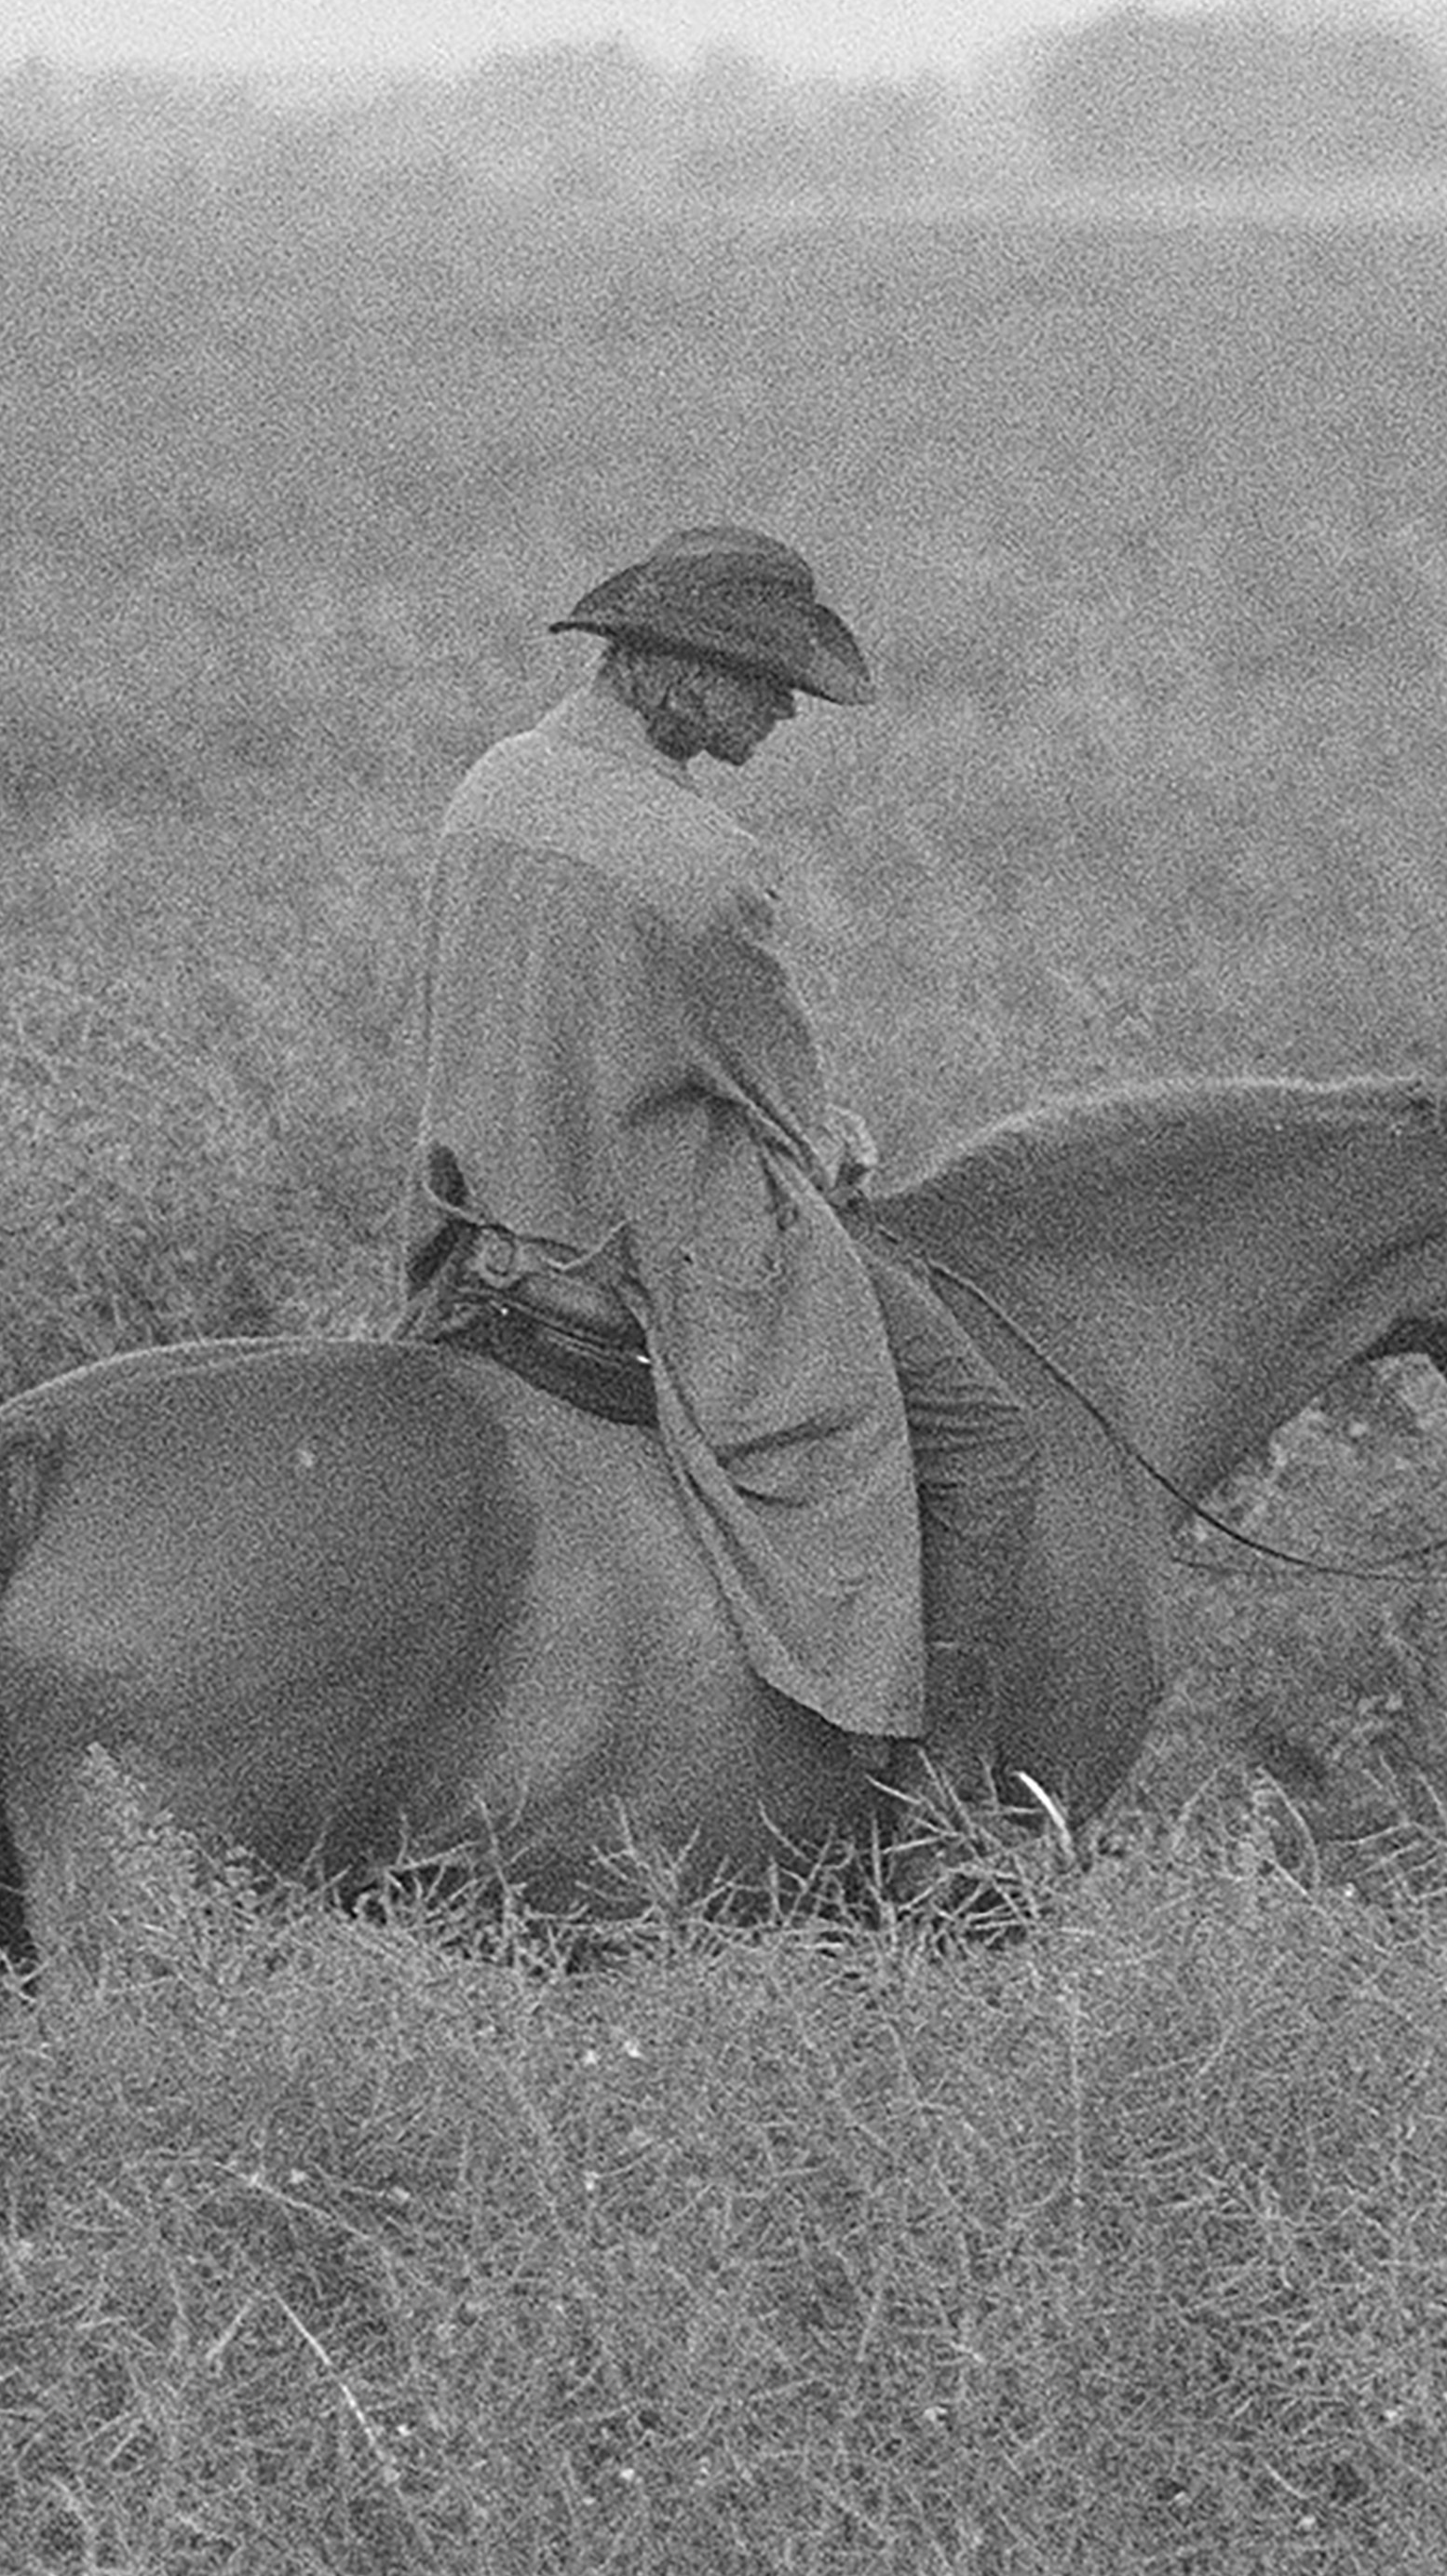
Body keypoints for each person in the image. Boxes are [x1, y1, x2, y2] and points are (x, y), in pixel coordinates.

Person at [400, 524, 1036, 1811]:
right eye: (766, 686)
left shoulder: (493, 784)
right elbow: (793, 1120)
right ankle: (933, 1794)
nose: (782, 716)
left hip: (485, 1225)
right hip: (650, 1251)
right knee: (984, 1437)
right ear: (683, 678)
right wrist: (843, 1141)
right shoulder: (704, 866)